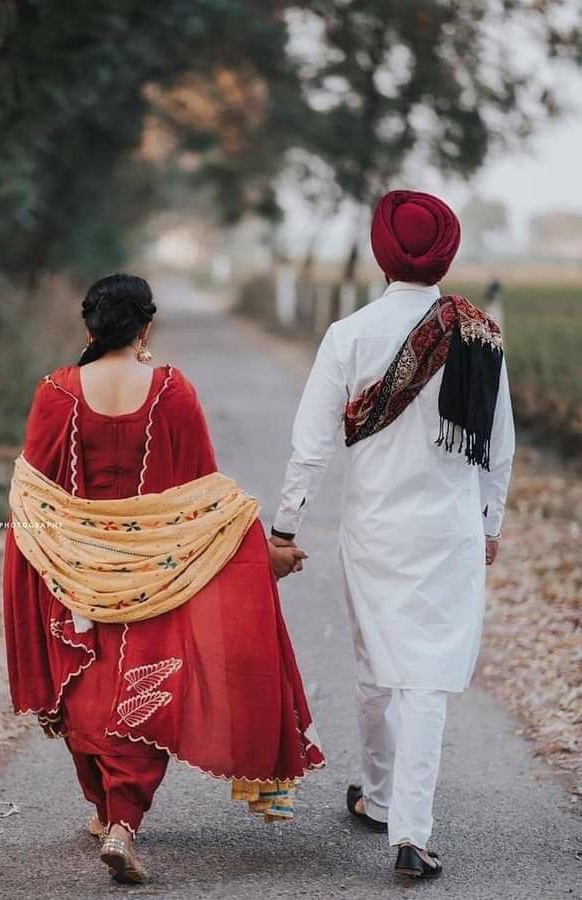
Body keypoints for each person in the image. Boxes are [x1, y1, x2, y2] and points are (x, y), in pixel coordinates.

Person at [3, 273, 323, 885]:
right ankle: (121, 821)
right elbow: (206, 500)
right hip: (160, 577)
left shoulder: (56, 393)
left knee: (86, 690)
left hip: (74, 576)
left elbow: (35, 496)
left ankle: (106, 812)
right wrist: (261, 547)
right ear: (146, 328)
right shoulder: (173, 391)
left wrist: (38, 559)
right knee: (146, 690)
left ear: (89, 327)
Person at [270, 190, 515, 879]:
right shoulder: (480, 335)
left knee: (378, 663)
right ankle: (405, 829)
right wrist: (489, 524)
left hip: (375, 531)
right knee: (427, 679)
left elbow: (311, 445)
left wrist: (285, 525)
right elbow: (499, 450)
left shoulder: (349, 336)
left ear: (381, 253)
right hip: (450, 531)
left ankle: (381, 799)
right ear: (447, 252)